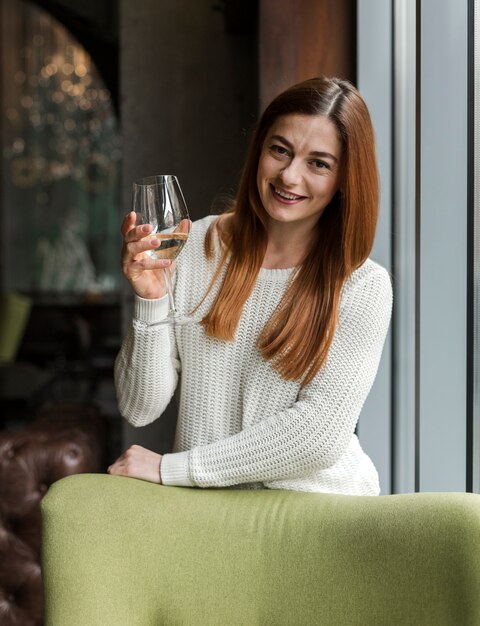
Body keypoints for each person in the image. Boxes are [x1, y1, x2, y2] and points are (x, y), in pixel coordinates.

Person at [108, 76, 392, 495]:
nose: (290, 177)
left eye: (319, 163)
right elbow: (138, 407)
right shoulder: (194, 247)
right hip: (212, 517)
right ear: (260, 149)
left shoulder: (362, 284)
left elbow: (318, 436)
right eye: (280, 150)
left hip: (318, 516)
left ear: (345, 180)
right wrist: (150, 300)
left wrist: (173, 469)